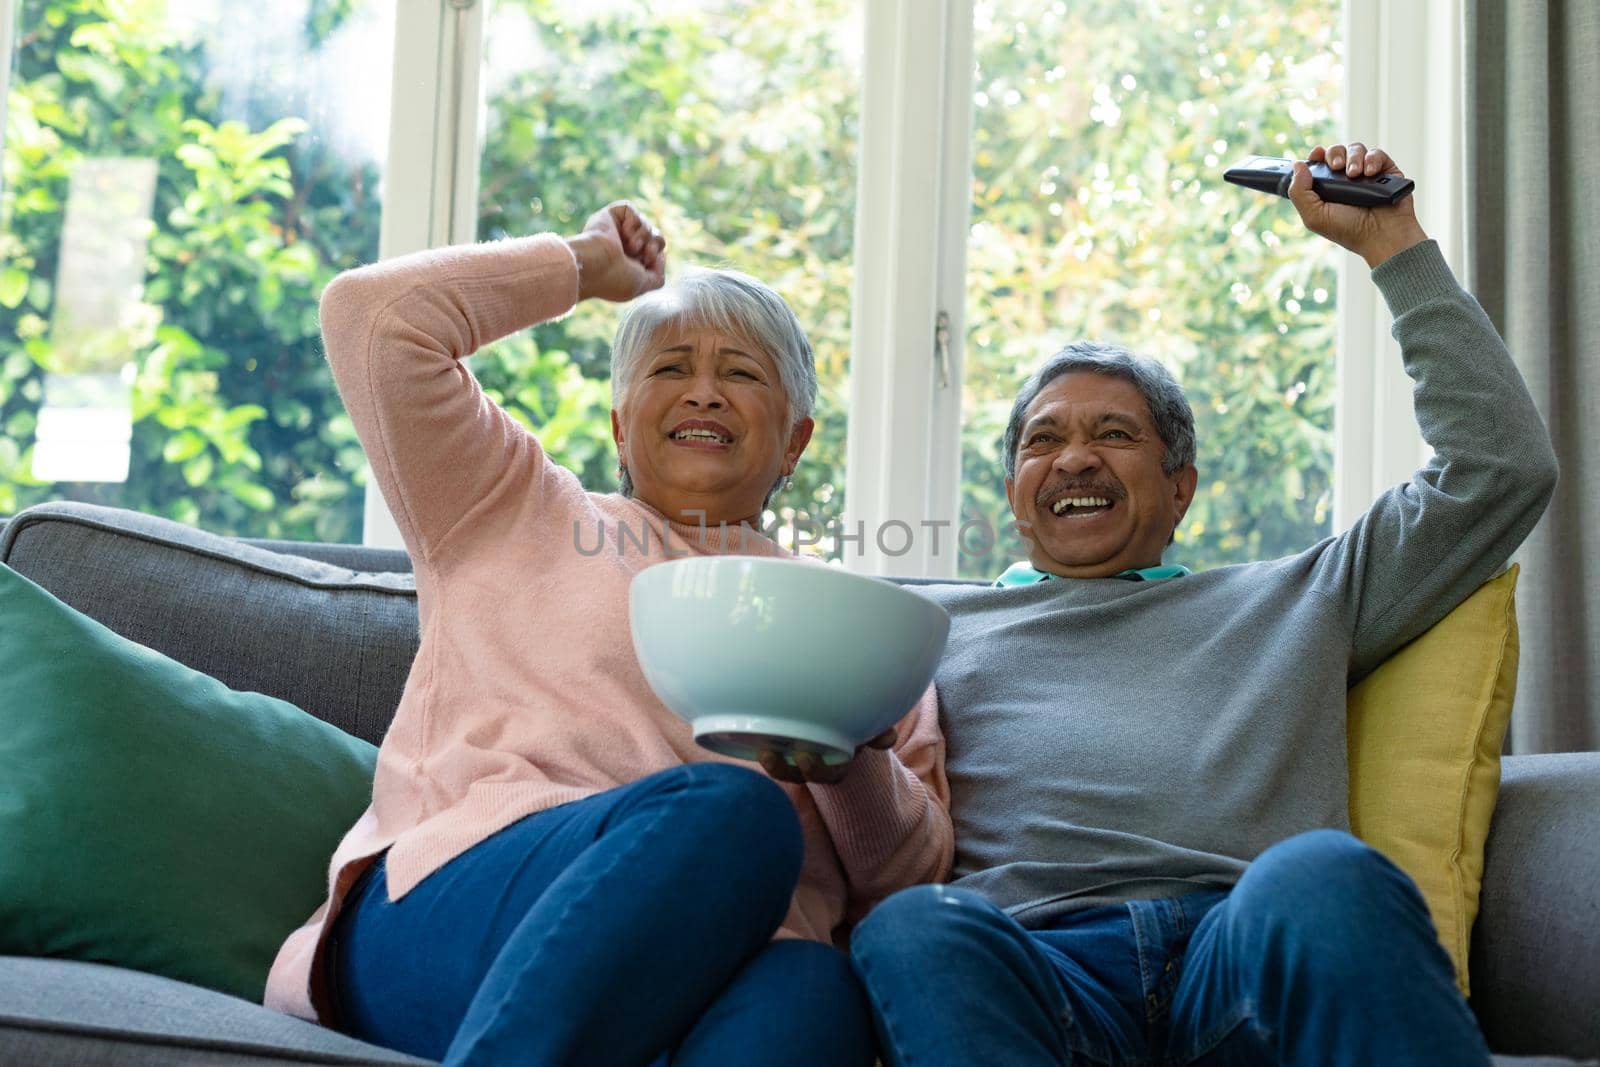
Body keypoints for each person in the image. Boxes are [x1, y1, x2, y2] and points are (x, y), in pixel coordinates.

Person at [848, 142, 1559, 1065]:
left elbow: (1502, 469)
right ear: (1016, 491)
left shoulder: (1301, 596)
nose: (1074, 459)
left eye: (1115, 433)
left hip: (1245, 952)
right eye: (1043, 440)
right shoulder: (925, 631)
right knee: (916, 929)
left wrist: (1394, 242)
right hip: (1040, 971)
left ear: (1180, 488)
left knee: (1325, 873)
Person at [261, 201, 954, 1067]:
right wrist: (584, 266)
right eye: (671, 367)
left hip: (729, 975)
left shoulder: (861, 628)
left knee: (816, 992)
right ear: (622, 425)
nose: (704, 389)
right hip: (457, 912)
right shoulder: (509, 507)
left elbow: (910, 882)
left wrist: (851, 759)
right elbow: (372, 320)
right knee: (735, 815)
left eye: (741, 372)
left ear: (795, 443)